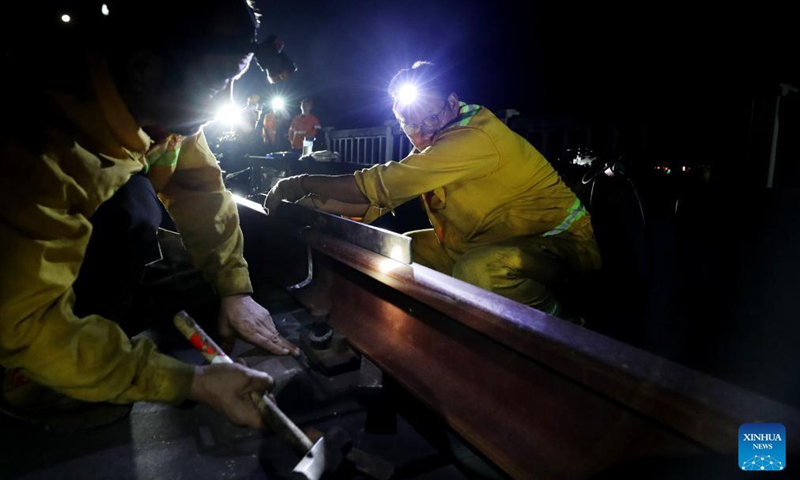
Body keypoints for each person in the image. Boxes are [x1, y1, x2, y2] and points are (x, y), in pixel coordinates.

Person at [0, 0, 300, 431]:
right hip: (17, 305)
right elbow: (27, 323)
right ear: (145, 68)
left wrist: (234, 289)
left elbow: (198, 187)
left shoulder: (164, 111)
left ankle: (94, 344)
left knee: (136, 203)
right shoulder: (41, 154)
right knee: (132, 207)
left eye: (233, 81)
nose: (224, 103)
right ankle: (28, 384)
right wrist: (187, 382)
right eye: (217, 84)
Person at [264, 61, 602, 319]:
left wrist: (297, 184)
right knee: (400, 252)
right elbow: (382, 199)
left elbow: (379, 185)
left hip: (559, 244)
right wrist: (310, 206)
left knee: (480, 271)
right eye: (410, 125)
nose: (422, 133)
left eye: (430, 119)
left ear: (453, 102)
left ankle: (565, 328)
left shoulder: (473, 137)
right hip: (485, 241)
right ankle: (449, 323)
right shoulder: (435, 142)